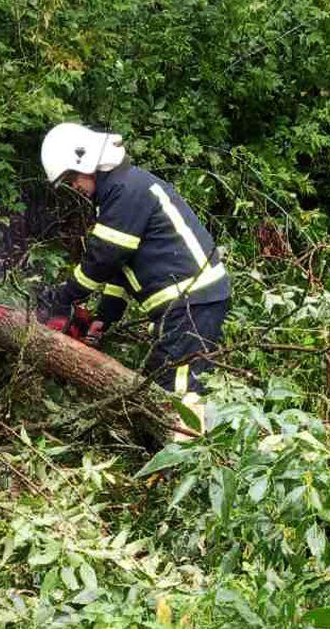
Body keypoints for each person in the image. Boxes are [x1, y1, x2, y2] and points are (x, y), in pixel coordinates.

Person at [35, 123, 230, 432]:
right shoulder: (121, 190)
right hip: (188, 302)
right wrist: (105, 317)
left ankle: (191, 459)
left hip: (192, 301)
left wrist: (64, 297)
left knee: (180, 388)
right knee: (163, 378)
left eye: (73, 178)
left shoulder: (125, 191)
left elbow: (103, 257)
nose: (75, 187)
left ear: (87, 162)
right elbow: (120, 266)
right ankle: (179, 450)